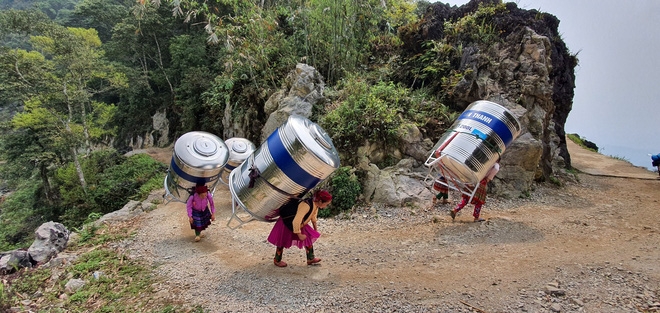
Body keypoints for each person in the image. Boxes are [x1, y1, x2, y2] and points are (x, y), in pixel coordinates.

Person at [267, 189, 333, 267]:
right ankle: (277, 260)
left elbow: (313, 217)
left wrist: (315, 229)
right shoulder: (306, 205)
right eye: (326, 204)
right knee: (282, 240)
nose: (326, 206)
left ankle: (310, 258)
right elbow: (296, 221)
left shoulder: (315, 205)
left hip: (300, 223)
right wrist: (299, 234)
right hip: (287, 222)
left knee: (308, 238)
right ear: (320, 201)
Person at [450, 158, 500, 222]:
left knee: (466, 198)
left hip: (474, 179)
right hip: (481, 183)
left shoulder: (487, 161)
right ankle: (476, 217)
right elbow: (489, 177)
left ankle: (455, 210)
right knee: (479, 201)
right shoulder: (496, 166)